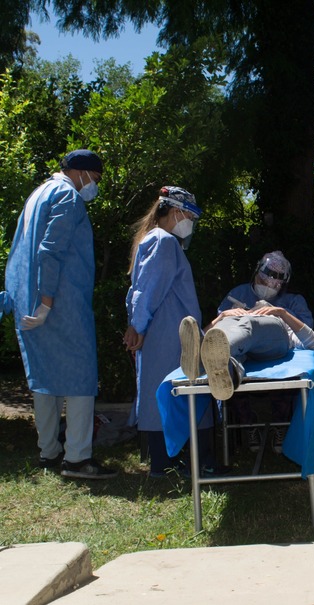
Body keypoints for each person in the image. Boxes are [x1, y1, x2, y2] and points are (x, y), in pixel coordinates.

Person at [0, 149, 117, 479]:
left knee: (45, 379)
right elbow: (49, 251)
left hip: (28, 301)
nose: (94, 186)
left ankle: (49, 452)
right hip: (60, 304)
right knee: (81, 378)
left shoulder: (38, 193)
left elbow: (19, 250)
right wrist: (47, 303)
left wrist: (26, 300)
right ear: (80, 172)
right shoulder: (68, 196)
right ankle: (78, 458)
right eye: (95, 179)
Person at [123, 186, 215, 477]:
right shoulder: (163, 242)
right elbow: (148, 289)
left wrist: (138, 324)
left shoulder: (156, 241)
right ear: (176, 211)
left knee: (168, 393)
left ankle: (171, 463)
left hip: (166, 331)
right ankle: (180, 464)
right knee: (179, 391)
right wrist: (136, 325)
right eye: (190, 215)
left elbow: (139, 290)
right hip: (169, 333)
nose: (191, 223)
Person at [214, 251, 314, 453]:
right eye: (264, 279)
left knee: (285, 382)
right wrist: (223, 316)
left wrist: (280, 314)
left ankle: (280, 426)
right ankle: (249, 425)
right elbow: (220, 326)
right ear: (256, 272)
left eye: (276, 284)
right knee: (229, 370)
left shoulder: (292, 304)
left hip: (275, 350)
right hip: (241, 349)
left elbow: (308, 336)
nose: (269, 286)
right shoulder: (238, 295)